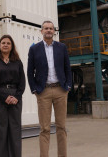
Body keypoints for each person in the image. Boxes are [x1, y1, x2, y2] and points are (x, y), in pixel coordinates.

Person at [27, 20, 72, 157]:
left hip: (60, 90)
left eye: (51, 28)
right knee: (45, 129)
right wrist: (35, 89)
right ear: (41, 31)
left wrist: (68, 86)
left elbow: (67, 68)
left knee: (61, 127)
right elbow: (30, 71)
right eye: (46, 28)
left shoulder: (62, 47)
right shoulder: (34, 49)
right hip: (43, 91)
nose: (48, 30)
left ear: (54, 31)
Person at [0, 35, 26, 157]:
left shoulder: (17, 62)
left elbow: (22, 82)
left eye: (8, 43)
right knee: (0, 131)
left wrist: (17, 97)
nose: (5, 45)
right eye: (3, 43)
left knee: (14, 130)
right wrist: (4, 97)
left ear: (12, 46)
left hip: (15, 98)